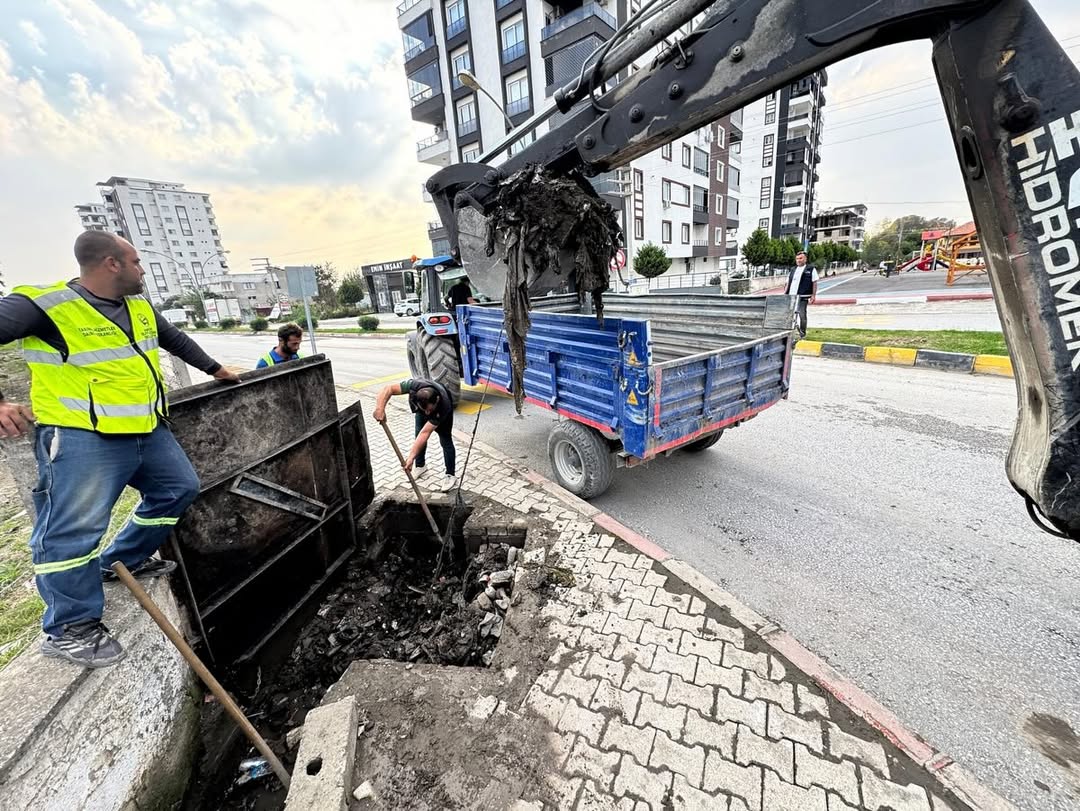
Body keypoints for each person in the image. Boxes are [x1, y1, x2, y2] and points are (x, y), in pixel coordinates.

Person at [0, 231, 240, 668]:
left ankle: (119, 560)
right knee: (73, 531)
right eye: (136, 261)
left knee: (178, 488)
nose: (143, 269)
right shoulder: (43, 305)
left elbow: (175, 340)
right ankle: (68, 626)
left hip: (145, 429)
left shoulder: (139, 306)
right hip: (80, 436)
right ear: (111, 264)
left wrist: (218, 370)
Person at [372, 378, 456, 492]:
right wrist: (380, 408)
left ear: (436, 400)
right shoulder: (414, 386)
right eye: (424, 410)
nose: (427, 414)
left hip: (441, 412)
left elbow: (425, 433)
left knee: (445, 440)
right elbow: (389, 388)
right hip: (425, 406)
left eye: (429, 410)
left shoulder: (443, 405)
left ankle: (450, 475)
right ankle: (420, 466)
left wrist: (410, 457)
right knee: (418, 433)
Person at [786, 251, 819, 339]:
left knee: (802, 315)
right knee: (789, 315)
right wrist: (785, 294)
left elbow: (814, 282)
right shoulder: (793, 269)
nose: (798, 260)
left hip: (802, 297)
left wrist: (813, 295)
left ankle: (802, 333)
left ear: (805, 259)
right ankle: (789, 332)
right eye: (797, 258)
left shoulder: (811, 269)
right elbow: (788, 283)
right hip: (791, 297)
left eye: (800, 258)